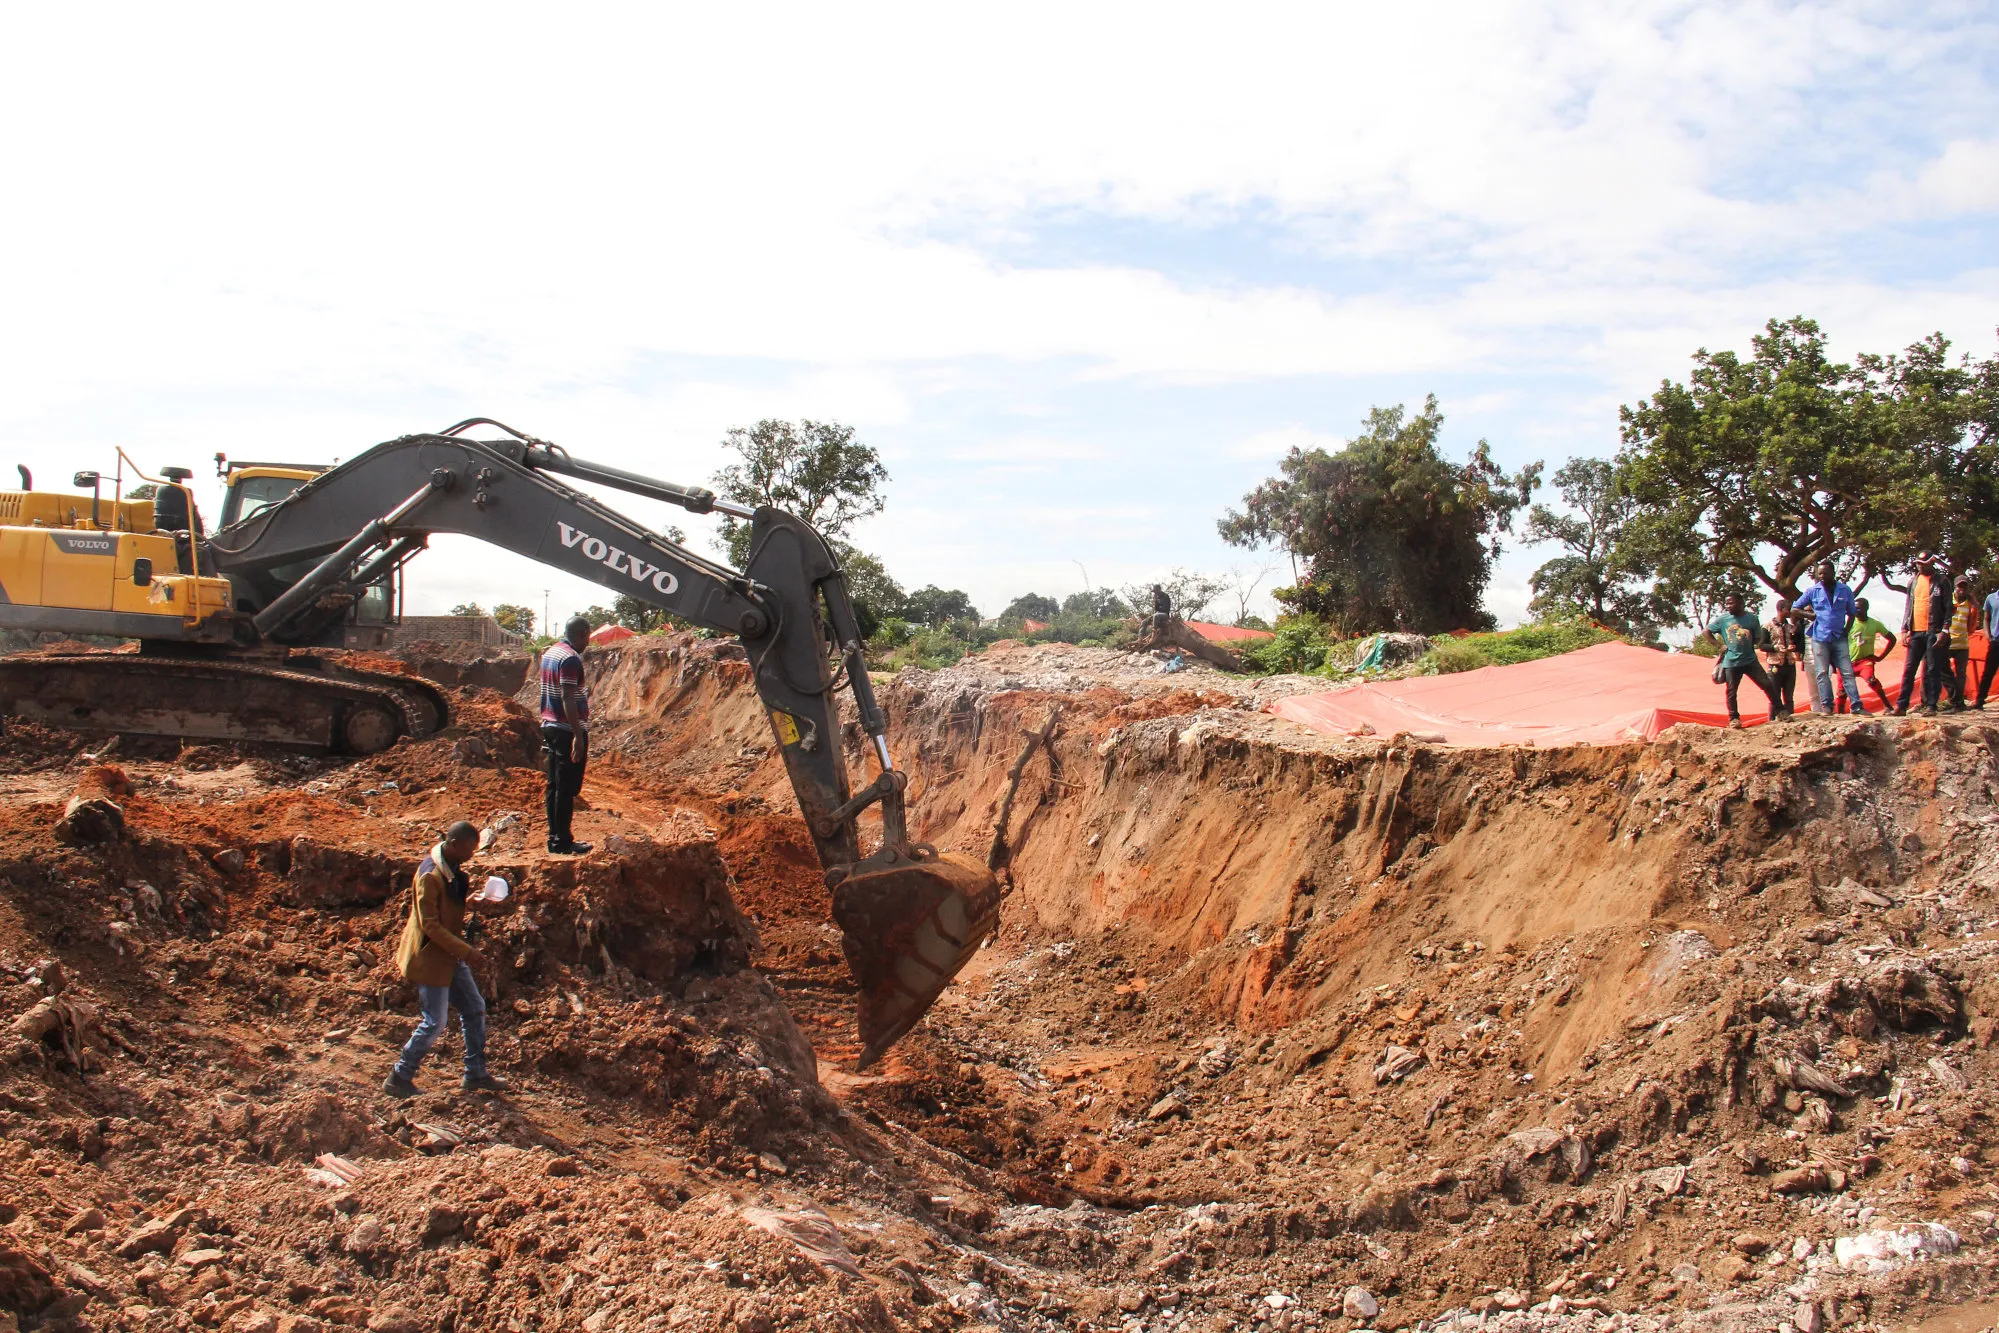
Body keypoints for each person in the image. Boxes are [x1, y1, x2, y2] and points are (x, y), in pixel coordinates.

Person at [385, 821, 509, 1097]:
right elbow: (430, 925)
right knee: (435, 1021)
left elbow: (448, 904)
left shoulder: (448, 868)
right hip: (431, 957)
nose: (471, 855)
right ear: (454, 845)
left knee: (475, 1007)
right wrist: (466, 951)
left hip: (449, 954)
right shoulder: (430, 876)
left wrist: (470, 903)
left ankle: (476, 1073)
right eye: (469, 849)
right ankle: (399, 1076)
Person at [539, 615, 594, 855]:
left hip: (550, 725)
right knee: (566, 788)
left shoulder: (551, 652)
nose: (588, 642)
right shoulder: (571, 659)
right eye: (587, 637)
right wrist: (577, 736)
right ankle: (561, 841)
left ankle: (555, 837)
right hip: (565, 729)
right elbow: (567, 697)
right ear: (582, 634)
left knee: (554, 785)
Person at [1709, 592, 1784, 729]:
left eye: (1731, 603)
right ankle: (1734, 718)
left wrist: (1752, 643)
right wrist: (1719, 645)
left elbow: (1757, 637)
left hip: (1750, 660)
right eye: (1727, 603)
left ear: (1741, 603)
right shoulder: (1723, 620)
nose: (1729, 606)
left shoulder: (1752, 619)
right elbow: (1706, 632)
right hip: (1731, 661)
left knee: (1767, 684)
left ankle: (1781, 711)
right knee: (1731, 691)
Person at [1798, 561, 1860, 715]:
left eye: (1824, 573)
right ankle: (1827, 706)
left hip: (1839, 636)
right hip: (1820, 637)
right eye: (1819, 574)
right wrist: (1810, 615)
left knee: (1847, 671)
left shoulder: (1845, 590)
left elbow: (1852, 613)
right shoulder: (1813, 591)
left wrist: (1846, 631)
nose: (1821, 576)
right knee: (1822, 672)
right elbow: (1795, 608)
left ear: (1832, 573)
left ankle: (1857, 706)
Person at [1897, 553, 1954, 717]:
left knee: (1932, 668)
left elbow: (1948, 607)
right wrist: (1904, 629)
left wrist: (1944, 630)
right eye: (1918, 563)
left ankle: (1931, 705)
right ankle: (1901, 706)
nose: (1921, 566)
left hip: (1934, 630)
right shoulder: (1913, 581)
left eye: (1924, 563)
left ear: (1932, 563)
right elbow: (1908, 606)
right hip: (1915, 631)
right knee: (1909, 669)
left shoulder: (1942, 581)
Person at [1846, 596, 1896, 714]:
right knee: (1842, 690)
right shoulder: (1848, 622)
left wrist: (1881, 656)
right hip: (1848, 661)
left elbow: (1892, 639)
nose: (1855, 610)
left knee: (1871, 680)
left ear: (1865, 609)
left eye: (1858, 608)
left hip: (1865, 660)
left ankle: (1888, 706)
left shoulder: (1875, 624)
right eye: (1854, 608)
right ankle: (1839, 713)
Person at [1761, 596, 1802, 717]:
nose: (1790, 612)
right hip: (1775, 664)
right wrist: (1775, 648)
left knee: (1789, 696)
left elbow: (1797, 643)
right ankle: (1772, 721)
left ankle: (1790, 719)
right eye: (1788, 609)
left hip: (1789, 664)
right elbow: (1762, 645)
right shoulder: (1767, 626)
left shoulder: (1791, 627)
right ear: (1781, 609)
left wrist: (1794, 647)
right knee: (1774, 695)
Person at [1947, 576, 1976, 711]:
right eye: (1959, 586)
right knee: (1940, 670)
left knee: (1961, 674)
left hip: (1962, 643)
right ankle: (1953, 699)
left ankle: (1958, 703)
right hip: (1946, 642)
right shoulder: (1947, 600)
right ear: (1955, 587)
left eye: (1964, 586)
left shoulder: (1971, 604)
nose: (1961, 589)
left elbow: (1972, 625)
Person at [1978, 579, 1999, 709]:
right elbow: (1986, 618)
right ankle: (1979, 699)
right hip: (1996, 641)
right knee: (1988, 671)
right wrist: (1988, 635)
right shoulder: (1991, 598)